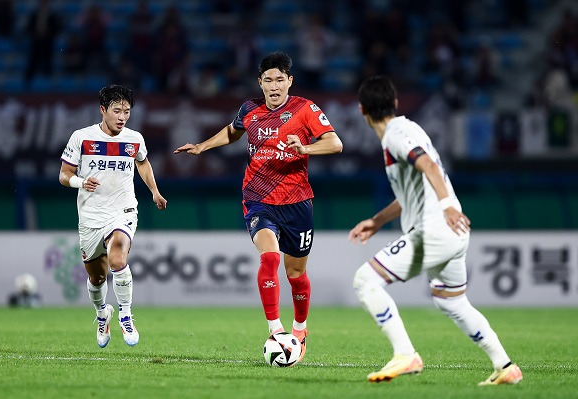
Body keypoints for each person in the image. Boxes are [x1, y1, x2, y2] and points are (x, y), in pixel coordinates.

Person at [348, 76, 522, 385]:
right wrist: (377, 220)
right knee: (451, 301)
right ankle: (505, 365)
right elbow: (411, 192)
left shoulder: (395, 134)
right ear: (396, 103)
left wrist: (446, 206)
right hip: (453, 232)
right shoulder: (409, 129)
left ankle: (405, 354)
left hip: (436, 229)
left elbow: (427, 165)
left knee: (365, 280)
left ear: (362, 110)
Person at [174, 51, 342, 361]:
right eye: (268, 80)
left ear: (290, 81)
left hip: (297, 202)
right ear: (260, 83)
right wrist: (202, 146)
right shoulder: (249, 109)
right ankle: (276, 330)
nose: (274, 86)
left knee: (296, 274)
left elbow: (335, 143)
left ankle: (300, 328)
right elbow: (232, 131)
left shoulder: (305, 109)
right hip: (257, 199)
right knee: (269, 258)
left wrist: (304, 147)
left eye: (280, 79)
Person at [59, 85, 167, 348]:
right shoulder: (82, 138)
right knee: (96, 278)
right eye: (116, 111)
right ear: (103, 110)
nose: (122, 117)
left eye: (127, 111)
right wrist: (81, 183)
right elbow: (64, 175)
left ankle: (126, 315)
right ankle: (102, 314)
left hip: (123, 210)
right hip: (90, 216)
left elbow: (142, 161)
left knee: (118, 255)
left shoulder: (134, 139)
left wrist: (154, 191)